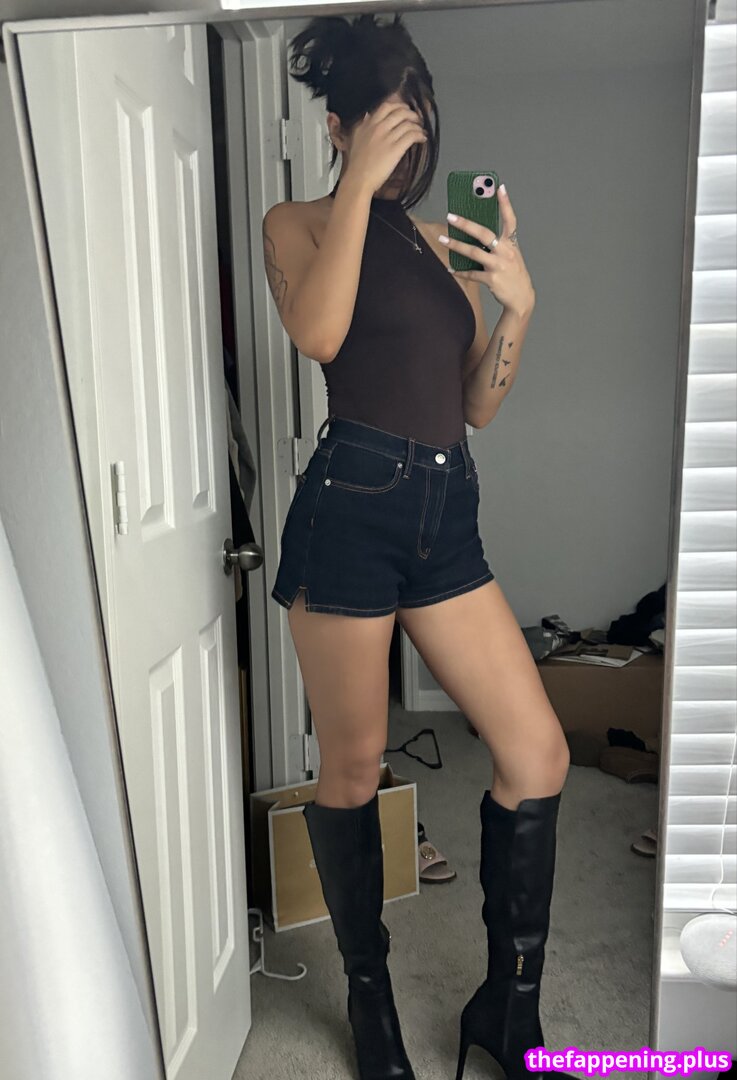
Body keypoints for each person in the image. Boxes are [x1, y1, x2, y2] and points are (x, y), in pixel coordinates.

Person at [261, 13, 573, 1080]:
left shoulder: (442, 244)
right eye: (389, 118)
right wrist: (356, 182)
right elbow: (318, 334)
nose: (412, 138)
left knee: (535, 753)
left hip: (447, 510)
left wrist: (516, 306)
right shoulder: (298, 221)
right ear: (339, 125)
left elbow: (475, 403)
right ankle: (372, 1008)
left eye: (420, 119)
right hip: (351, 507)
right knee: (351, 768)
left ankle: (506, 1009)